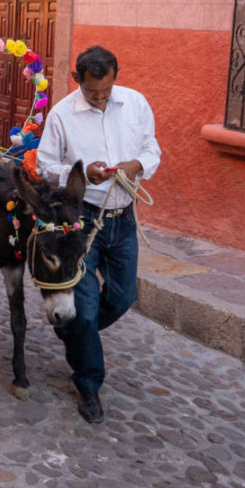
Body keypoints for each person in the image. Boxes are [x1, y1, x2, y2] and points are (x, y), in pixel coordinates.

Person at [35, 45, 161, 424]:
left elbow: (152, 148)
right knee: (86, 311)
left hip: (123, 218)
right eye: (93, 92)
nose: (101, 97)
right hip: (82, 220)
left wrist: (138, 164)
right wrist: (81, 174)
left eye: (106, 90)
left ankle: (73, 333)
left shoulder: (136, 103)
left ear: (115, 76)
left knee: (124, 296)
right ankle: (88, 384)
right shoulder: (61, 115)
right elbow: (44, 167)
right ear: (78, 81)